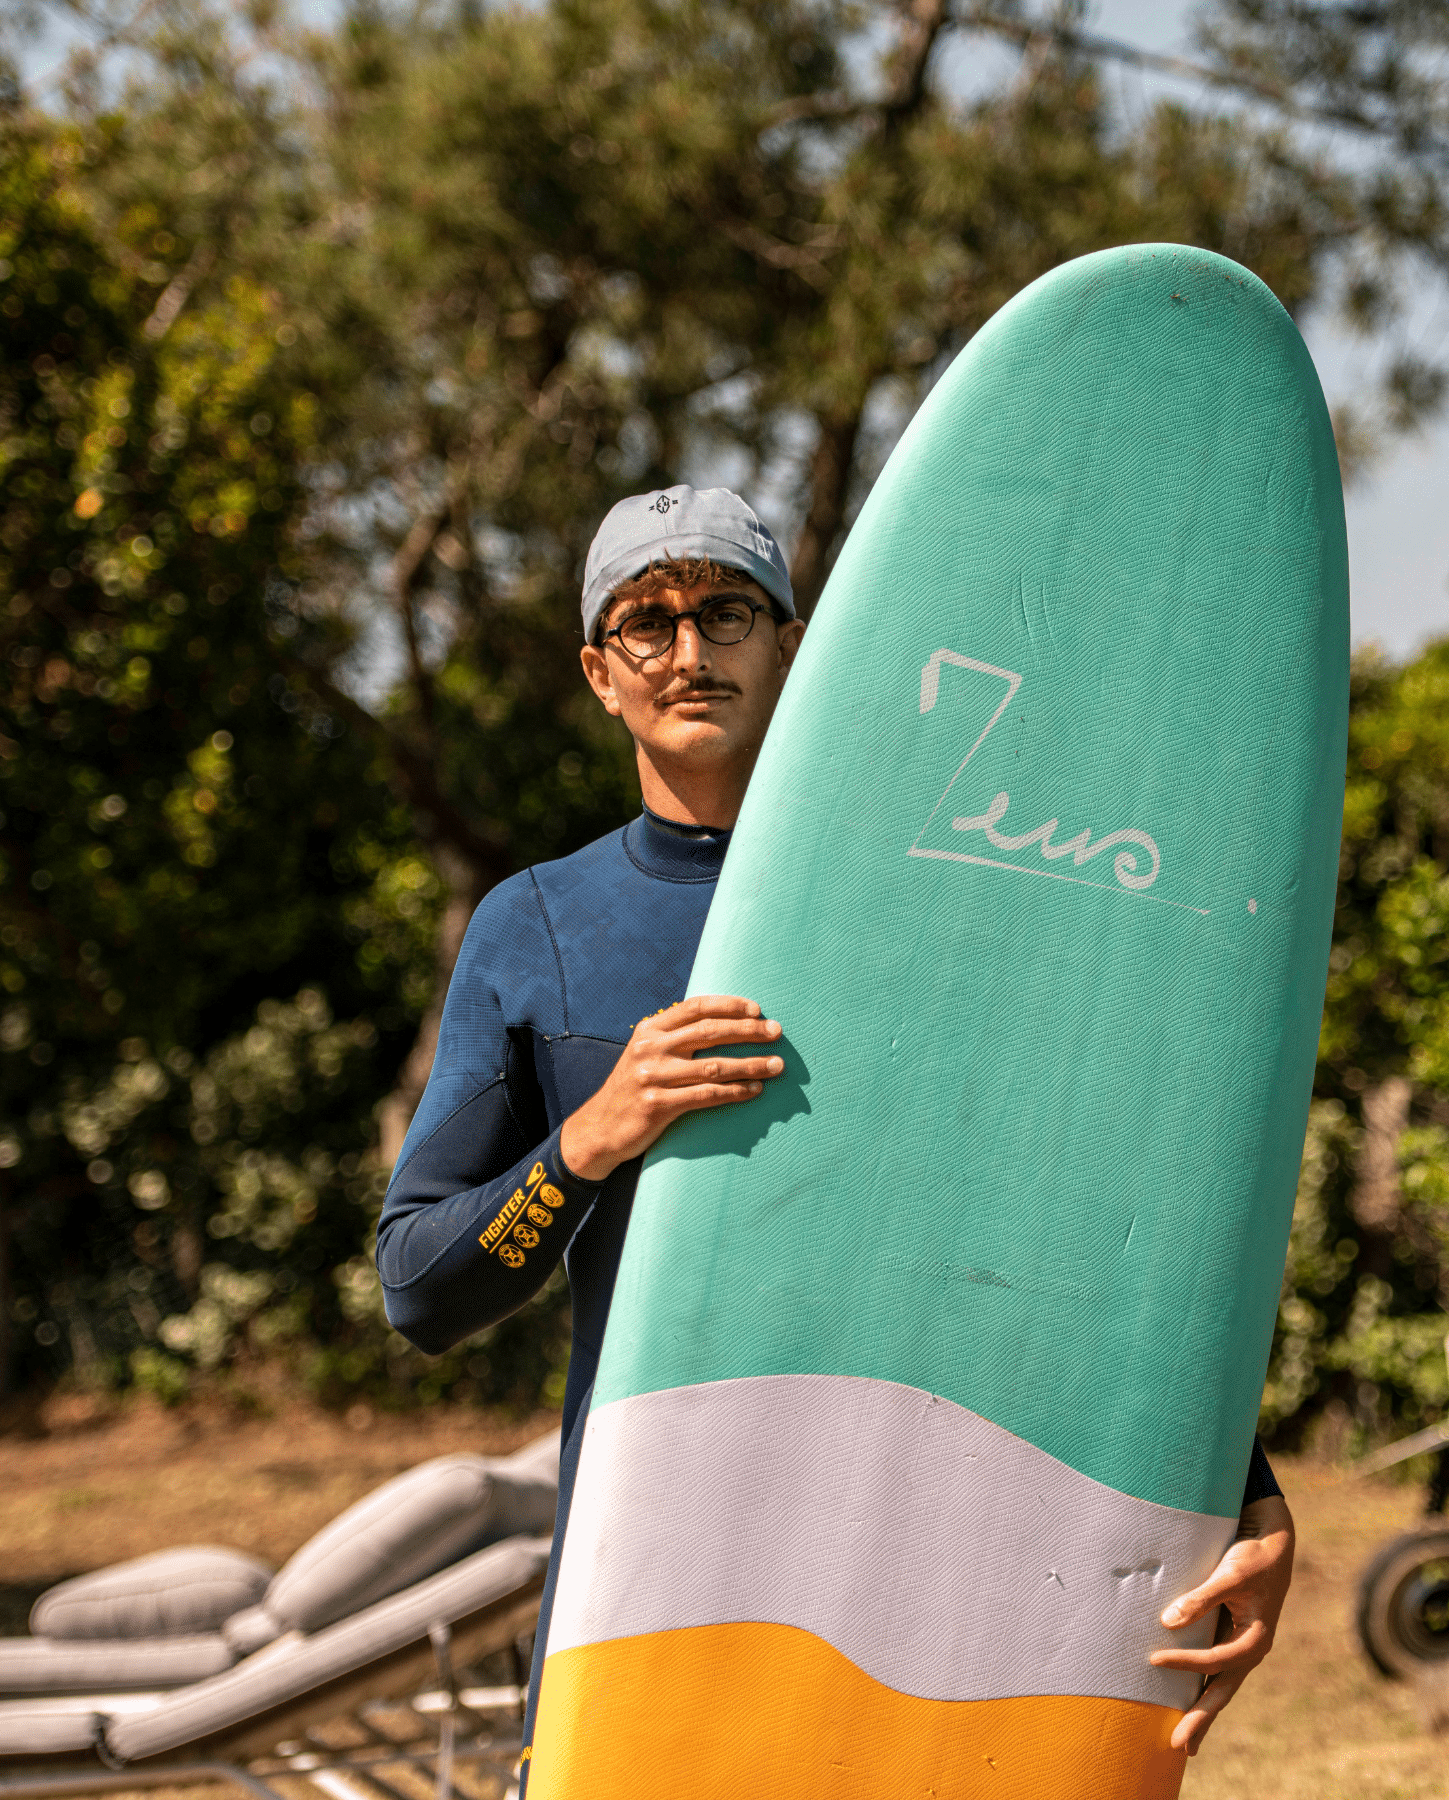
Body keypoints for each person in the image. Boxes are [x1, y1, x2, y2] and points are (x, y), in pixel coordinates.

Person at [376, 484, 1295, 1780]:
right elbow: (419, 1286)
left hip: (924, 1600)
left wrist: (1239, 1486)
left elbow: (1050, 1223)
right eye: (648, 622)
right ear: (599, 670)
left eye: (728, 612)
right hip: (651, 1609)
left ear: (794, 643)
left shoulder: (949, 902)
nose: (690, 652)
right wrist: (590, 1140)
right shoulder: (539, 929)